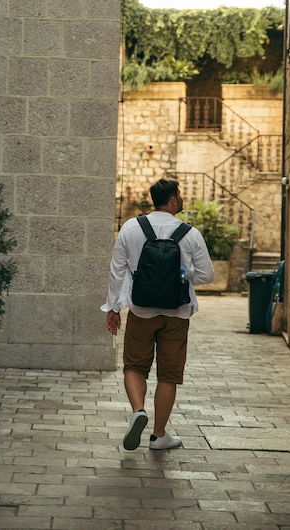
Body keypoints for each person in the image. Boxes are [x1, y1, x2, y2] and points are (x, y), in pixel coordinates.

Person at [101, 178, 214, 451]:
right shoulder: (190, 234)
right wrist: (182, 275)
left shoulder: (131, 228)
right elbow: (206, 275)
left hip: (141, 311)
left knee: (134, 366)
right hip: (177, 313)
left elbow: (117, 272)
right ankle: (159, 435)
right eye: (181, 195)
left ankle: (138, 410)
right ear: (173, 199)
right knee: (168, 374)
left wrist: (113, 308)